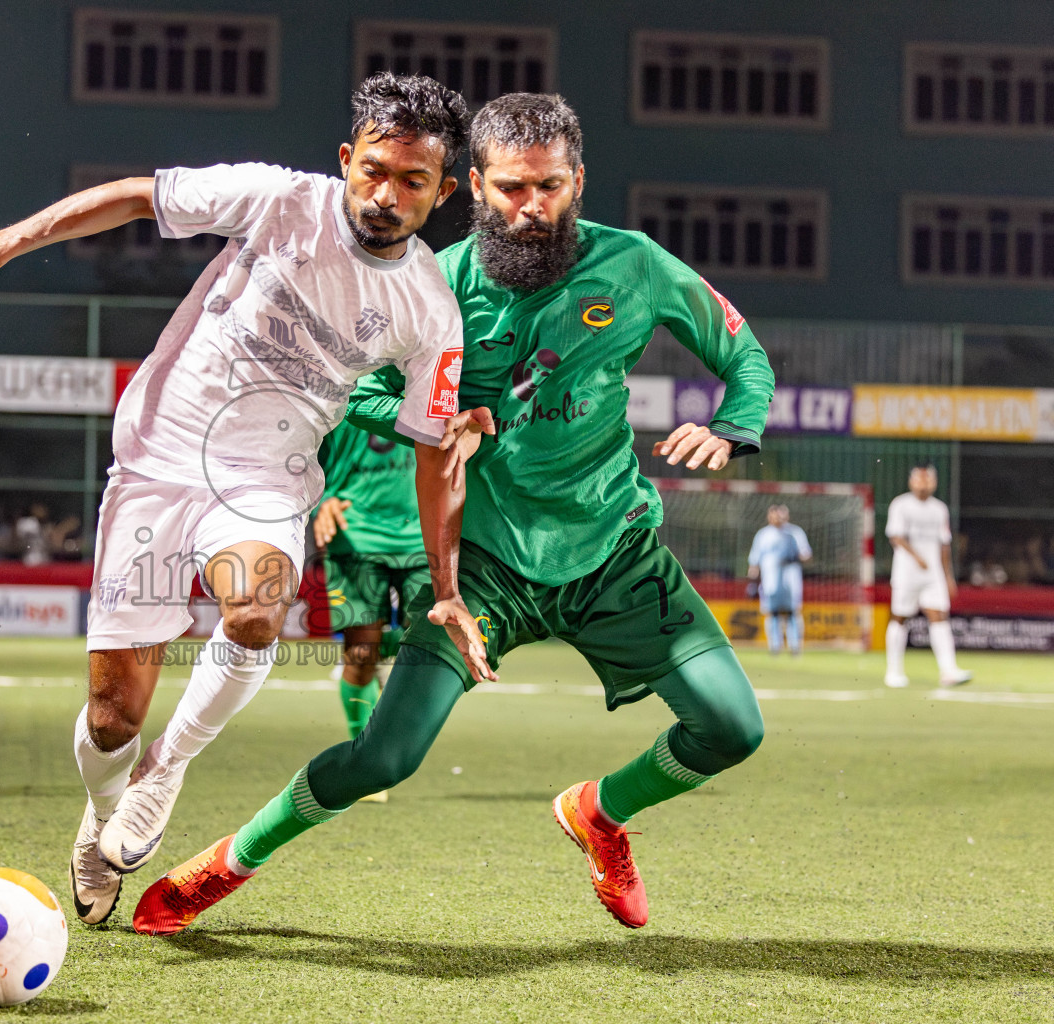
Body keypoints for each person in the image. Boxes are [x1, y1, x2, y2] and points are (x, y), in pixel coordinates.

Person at [133, 92, 776, 936]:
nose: (531, 207)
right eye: (510, 188)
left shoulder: (638, 266)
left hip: (614, 551)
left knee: (731, 728)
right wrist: (439, 418)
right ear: (474, 184)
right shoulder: (438, 284)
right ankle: (228, 860)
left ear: (577, 182)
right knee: (384, 757)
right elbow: (358, 388)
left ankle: (601, 814)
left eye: (548, 187)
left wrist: (734, 427)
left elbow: (744, 355)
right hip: (483, 570)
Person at [0, 72, 487, 926]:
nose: (385, 194)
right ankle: (102, 815)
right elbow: (135, 198)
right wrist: (1, 244)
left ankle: (166, 771)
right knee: (112, 716)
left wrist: (445, 586)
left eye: (411, 181)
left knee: (255, 612)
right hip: (156, 457)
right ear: (346, 159)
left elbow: (434, 452)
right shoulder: (278, 199)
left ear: (443, 192)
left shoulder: (432, 310)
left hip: (266, 480)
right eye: (373, 170)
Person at [313, 418, 428, 802]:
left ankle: (391, 647)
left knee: (426, 646)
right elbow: (302, 457)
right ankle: (363, 757)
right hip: (354, 532)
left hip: (421, 536)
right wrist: (320, 500)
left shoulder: (432, 382)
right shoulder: (344, 386)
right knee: (361, 653)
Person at [884, 462, 971, 688]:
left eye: (928, 479)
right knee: (900, 617)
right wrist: (917, 557)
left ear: (934, 482)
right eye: (920, 479)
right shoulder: (901, 505)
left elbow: (944, 546)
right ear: (911, 481)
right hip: (906, 574)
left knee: (939, 617)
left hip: (932, 577)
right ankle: (893, 672)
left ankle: (949, 671)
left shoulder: (939, 509)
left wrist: (948, 576)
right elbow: (896, 537)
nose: (924, 483)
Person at [746, 504, 812, 655]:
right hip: (770, 582)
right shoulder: (763, 535)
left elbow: (806, 554)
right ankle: (775, 646)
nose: (777, 518)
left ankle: (795, 646)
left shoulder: (794, 533)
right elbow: (754, 561)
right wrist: (752, 583)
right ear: (769, 516)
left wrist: (795, 557)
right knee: (772, 613)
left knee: (792, 613)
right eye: (774, 514)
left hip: (791, 581)